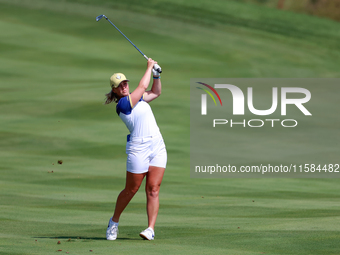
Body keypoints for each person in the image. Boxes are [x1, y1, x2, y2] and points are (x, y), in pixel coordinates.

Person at [104, 58, 167, 241]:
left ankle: (150, 229)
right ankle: (114, 221)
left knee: (153, 189)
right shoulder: (122, 105)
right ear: (114, 90)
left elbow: (156, 92)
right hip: (138, 148)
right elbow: (142, 86)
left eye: (124, 83)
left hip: (157, 145)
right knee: (131, 189)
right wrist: (149, 66)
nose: (123, 86)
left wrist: (156, 75)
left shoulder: (138, 98)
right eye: (119, 85)